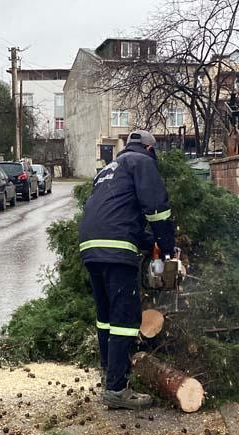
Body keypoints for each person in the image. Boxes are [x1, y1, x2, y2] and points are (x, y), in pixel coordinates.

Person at [78, 130, 176, 410]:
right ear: (149, 149)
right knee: (124, 319)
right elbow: (157, 210)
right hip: (116, 249)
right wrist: (167, 248)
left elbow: (117, 216)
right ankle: (117, 389)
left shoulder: (109, 169)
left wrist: (151, 243)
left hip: (91, 247)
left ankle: (109, 373)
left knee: (106, 317)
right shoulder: (142, 162)